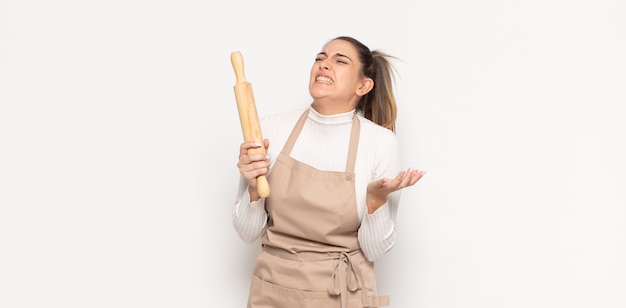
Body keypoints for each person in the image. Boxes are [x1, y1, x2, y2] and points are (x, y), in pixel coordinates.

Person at [232, 36, 426, 308]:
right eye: (320, 58)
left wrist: (375, 202)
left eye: (340, 61)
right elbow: (247, 233)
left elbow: (375, 249)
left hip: (341, 296)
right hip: (272, 291)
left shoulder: (379, 143)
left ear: (363, 85)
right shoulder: (270, 130)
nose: (324, 65)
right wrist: (253, 188)